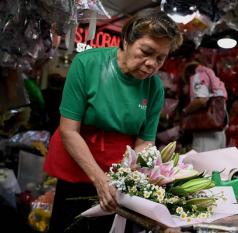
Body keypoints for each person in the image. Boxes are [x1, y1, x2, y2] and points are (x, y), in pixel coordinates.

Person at [43, 9, 182, 233]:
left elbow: (145, 142)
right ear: (126, 40)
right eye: (146, 52)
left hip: (118, 174)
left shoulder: (154, 87)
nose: (151, 64)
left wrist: (142, 179)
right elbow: (69, 130)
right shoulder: (86, 64)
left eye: (160, 58)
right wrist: (100, 179)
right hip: (78, 164)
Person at [182, 62, 228, 152]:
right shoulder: (213, 77)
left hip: (205, 131)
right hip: (219, 130)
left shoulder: (198, 75)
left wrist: (186, 111)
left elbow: (202, 99)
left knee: (203, 164)